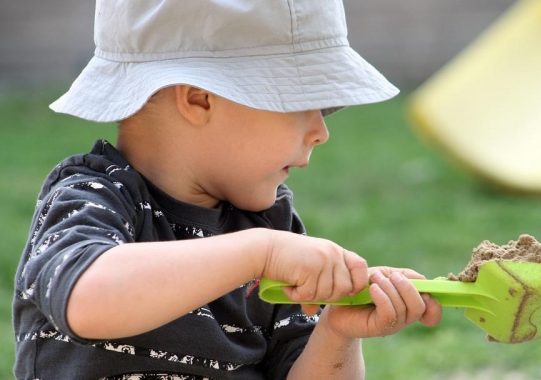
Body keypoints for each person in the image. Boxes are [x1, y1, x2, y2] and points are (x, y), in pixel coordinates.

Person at [12, 1, 442, 379]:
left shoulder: (272, 228)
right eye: (302, 102)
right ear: (199, 98)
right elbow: (86, 301)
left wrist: (337, 332)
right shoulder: (92, 196)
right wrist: (257, 253)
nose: (321, 131)